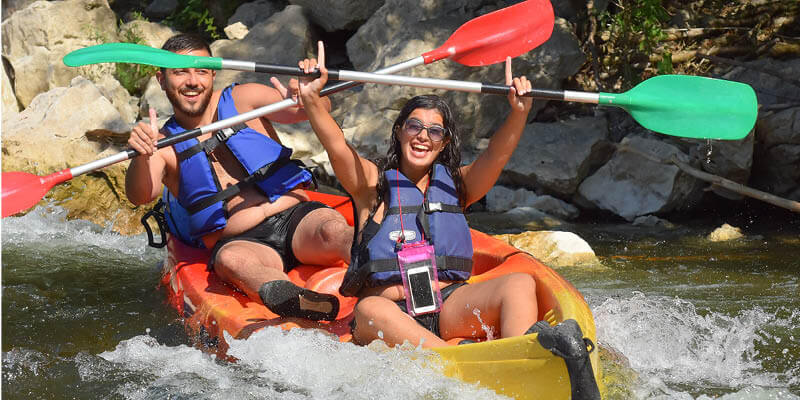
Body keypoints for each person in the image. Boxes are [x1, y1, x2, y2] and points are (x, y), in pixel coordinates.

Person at [295, 42, 539, 347]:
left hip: (449, 305)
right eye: (414, 126)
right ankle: (455, 364)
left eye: (435, 131)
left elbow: (497, 155)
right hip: (389, 313)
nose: (423, 136)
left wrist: (519, 113)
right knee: (369, 309)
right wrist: (311, 99)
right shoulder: (372, 184)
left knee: (519, 283)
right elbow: (337, 147)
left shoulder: (459, 185)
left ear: (444, 142)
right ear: (399, 131)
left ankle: (524, 359)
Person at [125, 34, 352, 322]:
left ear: (212, 75)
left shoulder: (243, 98)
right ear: (161, 79)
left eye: (201, 71)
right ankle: (297, 301)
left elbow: (302, 112)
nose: (193, 81)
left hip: (297, 218)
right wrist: (141, 155)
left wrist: (310, 95)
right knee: (233, 262)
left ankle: (383, 270)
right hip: (242, 242)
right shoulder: (162, 144)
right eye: (180, 72)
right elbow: (140, 195)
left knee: (334, 231)